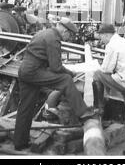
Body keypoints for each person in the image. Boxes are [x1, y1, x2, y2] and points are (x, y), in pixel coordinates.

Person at [13, 17, 96, 150]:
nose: (68, 37)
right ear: (64, 29)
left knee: (25, 108)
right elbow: (56, 67)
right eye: (69, 34)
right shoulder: (54, 39)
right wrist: (70, 72)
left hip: (25, 72)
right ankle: (83, 113)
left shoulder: (44, 33)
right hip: (34, 72)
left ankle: (19, 142)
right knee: (66, 80)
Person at [92, 24, 125, 155]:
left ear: (106, 35)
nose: (101, 41)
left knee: (97, 74)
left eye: (101, 38)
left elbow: (106, 69)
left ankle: (98, 108)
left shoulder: (111, 45)